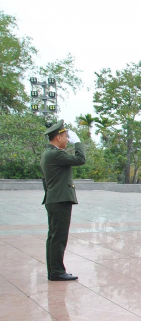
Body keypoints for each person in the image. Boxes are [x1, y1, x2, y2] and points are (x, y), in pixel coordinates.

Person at [40, 120, 85, 281]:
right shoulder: (56, 154)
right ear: (58, 137)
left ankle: (54, 271)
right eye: (66, 136)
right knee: (58, 238)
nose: (68, 139)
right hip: (59, 200)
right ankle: (57, 272)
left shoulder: (48, 153)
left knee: (53, 237)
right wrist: (78, 142)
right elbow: (80, 159)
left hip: (53, 199)